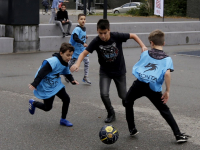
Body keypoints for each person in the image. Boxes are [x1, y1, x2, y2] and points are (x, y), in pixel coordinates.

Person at [70, 19, 148, 123]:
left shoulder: (116, 36)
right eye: (100, 33)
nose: (102, 36)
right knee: (104, 94)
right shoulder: (96, 41)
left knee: (123, 96)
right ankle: (111, 113)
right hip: (105, 72)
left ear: (109, 30)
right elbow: (84, 53)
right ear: (97, 31)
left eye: (105, 33)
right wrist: (77, 63)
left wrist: (142, 45)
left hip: (119, 71)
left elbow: (133, 35)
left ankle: (128, 106)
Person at [124, 30, 190, 143]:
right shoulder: (167, 59)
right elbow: (167, 74)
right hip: (153, 88)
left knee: (128, 101)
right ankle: (178, 134)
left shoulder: (145, 53)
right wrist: (167, 91)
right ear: (163, 43)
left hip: (139, 84)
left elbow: (141, 64)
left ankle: (132, 129)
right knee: (164, 110)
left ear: (151, 43)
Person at [28, 43, 79, 127]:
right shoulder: (53, 61)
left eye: (71, 55)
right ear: (61, 53)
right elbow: (41, 72)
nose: (69, 58)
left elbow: (67, 73)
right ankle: (33, 103)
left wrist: (72, 80)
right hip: (46, 85)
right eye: (68, 55)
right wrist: (35, 83)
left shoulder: (65, 62)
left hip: (56, 84)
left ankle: (63, 119)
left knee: (66, 99)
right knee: (47, 108)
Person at [66, 13, 91, 84]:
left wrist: (85, 36)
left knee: (87, 62)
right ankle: (66, 74)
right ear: (78, 20)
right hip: (75, 49)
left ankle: (85, 76)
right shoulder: (77, 28)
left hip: (82, 49)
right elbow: (75, 37)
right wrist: (83, 43)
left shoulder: (83, 28)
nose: (83, 20)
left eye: (84, 19)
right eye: (81, 19)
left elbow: (81, 35)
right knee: (71, 63)